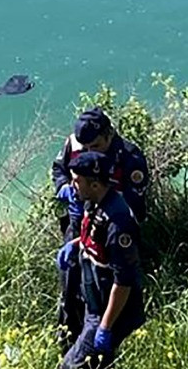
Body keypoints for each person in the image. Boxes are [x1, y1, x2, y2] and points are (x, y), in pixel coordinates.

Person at [50, 108, 149, 346]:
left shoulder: (129, 158)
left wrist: (97, 202)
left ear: (109, 135)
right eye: (84, 148)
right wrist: (64, 186)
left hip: (109, 233)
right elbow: (58, 168)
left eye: (95, 146)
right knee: (70, 286)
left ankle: (99, 347)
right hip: (78, 227)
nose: (87, 152)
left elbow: (134, 209)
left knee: (104, 292)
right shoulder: (76, 142)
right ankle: (68, 342)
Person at [56, 152, 145, 369]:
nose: (72, 185)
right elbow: (94, 239)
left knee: (71, 368)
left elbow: (123, 282)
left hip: (111, 309)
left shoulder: (118, 223)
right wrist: (74, 246)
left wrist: (104, 327)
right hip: (95, 302)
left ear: (95, 184)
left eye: (77, 181)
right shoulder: (93, 202)